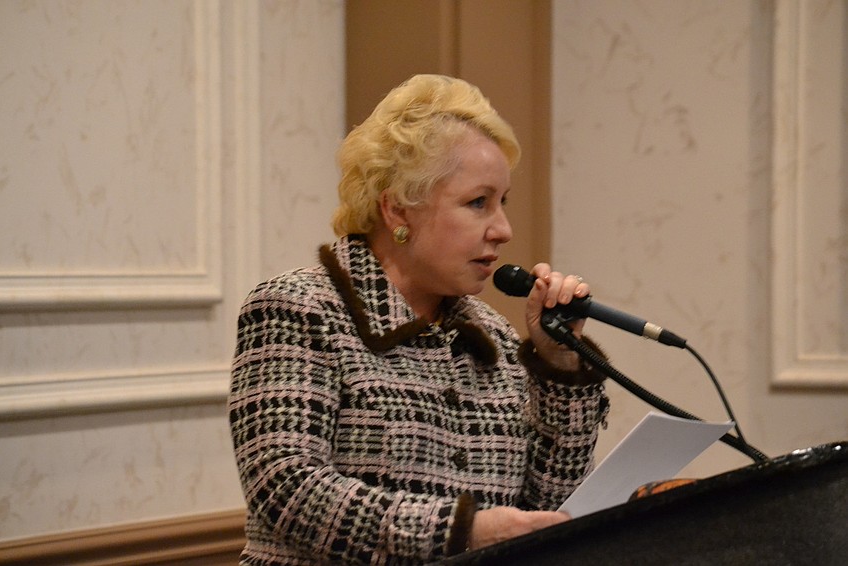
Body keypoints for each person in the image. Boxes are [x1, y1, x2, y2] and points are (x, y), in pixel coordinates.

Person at [228, 74, 609, 565]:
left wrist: (559, 366)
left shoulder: (490, 332)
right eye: (478, 202)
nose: (504, 229)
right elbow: (285, 488)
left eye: (503, 202)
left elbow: (546, 513)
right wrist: (459, 531)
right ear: (397, 210)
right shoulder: (297, 307)